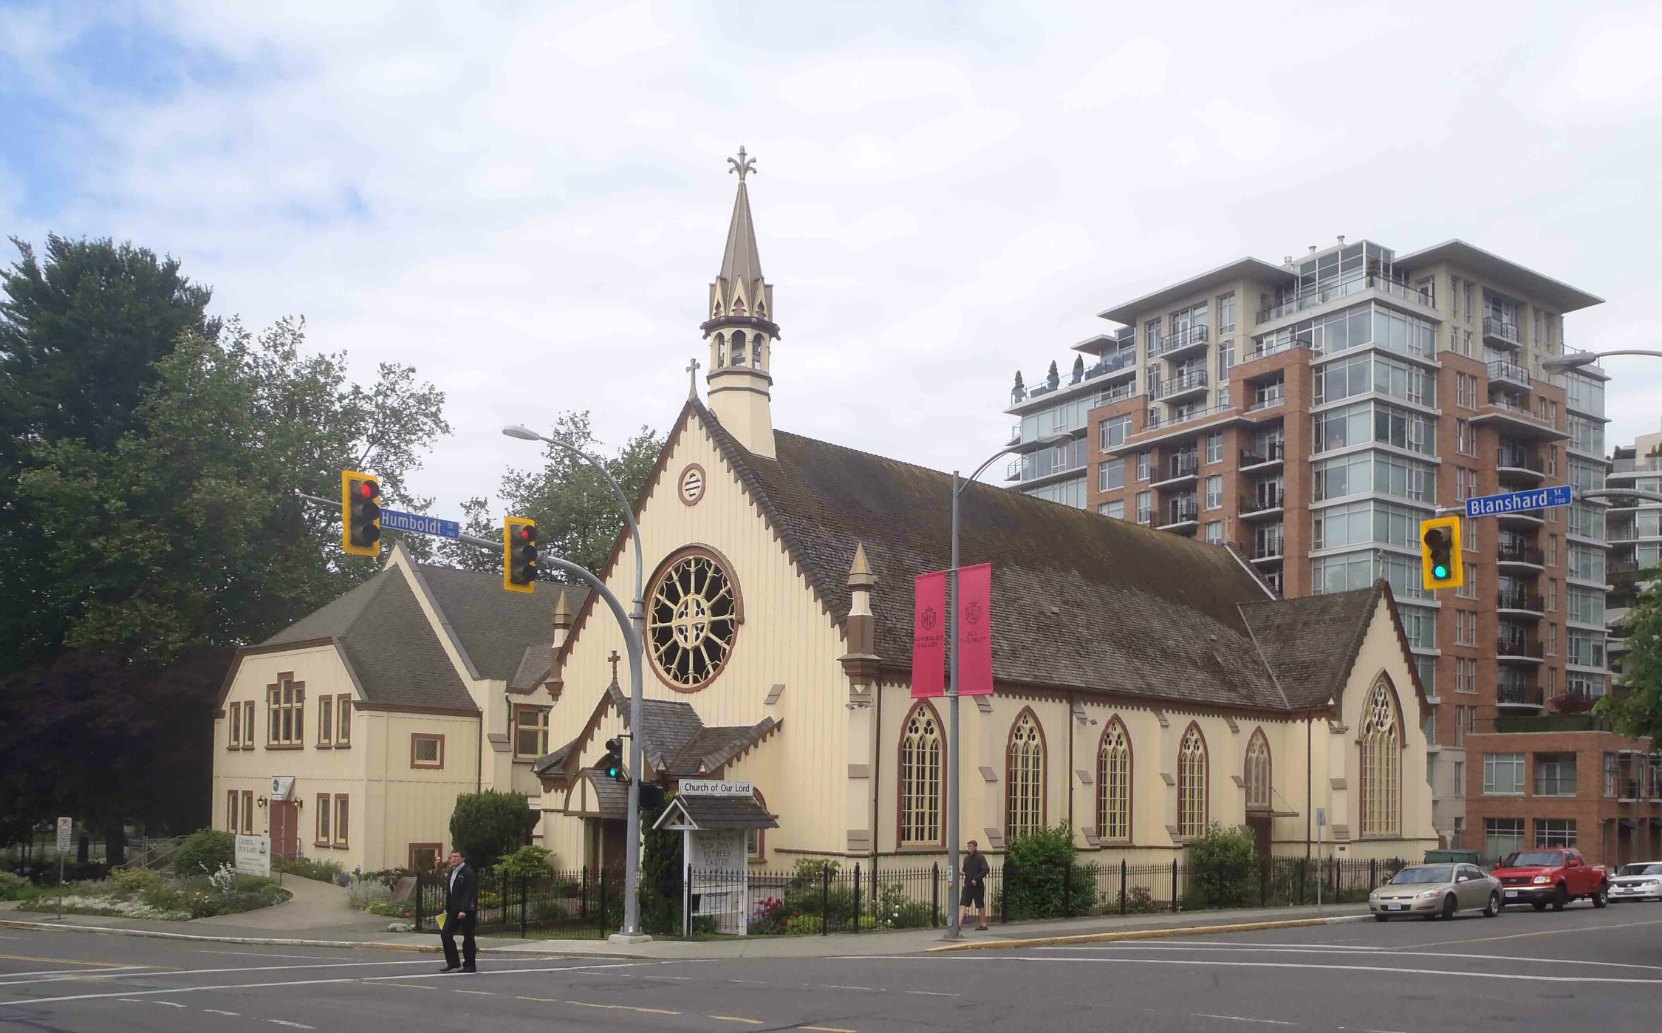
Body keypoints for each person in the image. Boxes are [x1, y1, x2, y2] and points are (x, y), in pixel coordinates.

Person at [439, 848, 478, 973]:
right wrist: (447, 907)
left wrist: (464, 910)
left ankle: (470, 965)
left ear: (462, 858)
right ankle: (453, 962)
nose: (453, 859)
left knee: (468, 937)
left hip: (466, 911)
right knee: (445, 934)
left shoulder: (468, 873)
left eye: (456, 856)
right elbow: (450, 892)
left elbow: (468, 893)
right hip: (453, 910)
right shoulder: (452, 871)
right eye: (452, 857)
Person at [960, 839, 990, 931]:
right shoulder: (966, 859)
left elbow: (986, 869)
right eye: (968, 846)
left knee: (980, 904)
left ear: (975, 847)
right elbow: (965, 870)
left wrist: (976, 878)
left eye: (971, 846)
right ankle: (958, 924)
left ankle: (983, 924)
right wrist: (962, 873)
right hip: (968, 884)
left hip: (978, 885)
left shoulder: (980, 858)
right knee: (963, 903)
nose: (969, 848)